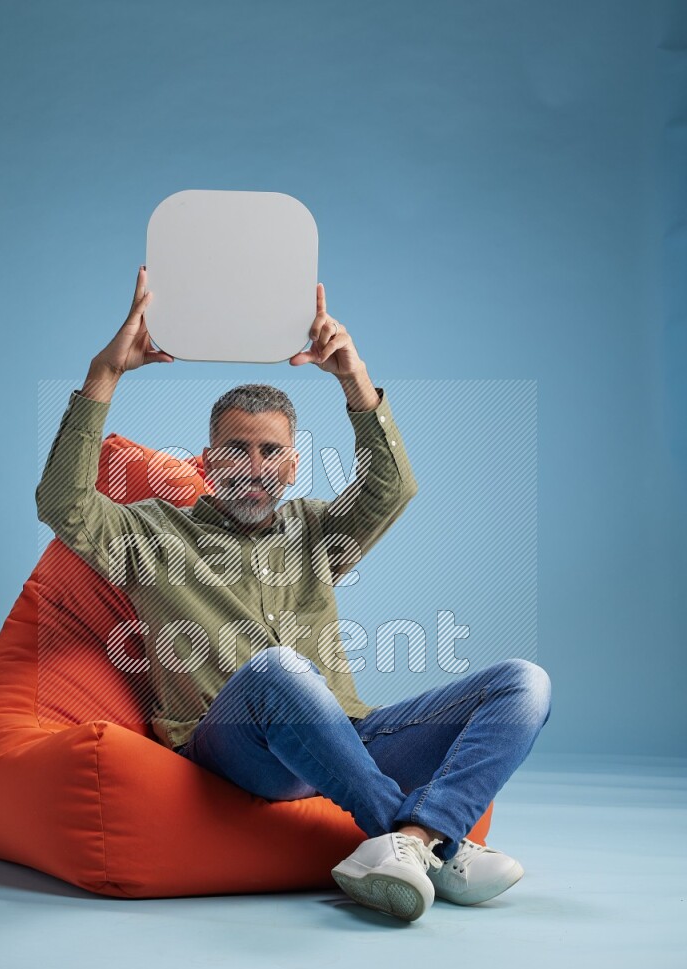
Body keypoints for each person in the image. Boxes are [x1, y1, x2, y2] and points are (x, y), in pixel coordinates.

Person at [36, 265, 552, 924]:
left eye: (269, 451)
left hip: (348, 739)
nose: (253, 467)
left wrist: (352, 378)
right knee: (279, 669)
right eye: (235, 449)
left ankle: (417, 841)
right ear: (208, 455)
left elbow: (391, 490)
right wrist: (103, 374)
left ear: (291, 463)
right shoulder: (152, 532)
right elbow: (64, 503)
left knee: (523, 682)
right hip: (234, 747)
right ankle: (435, 840)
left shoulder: (315, 528)